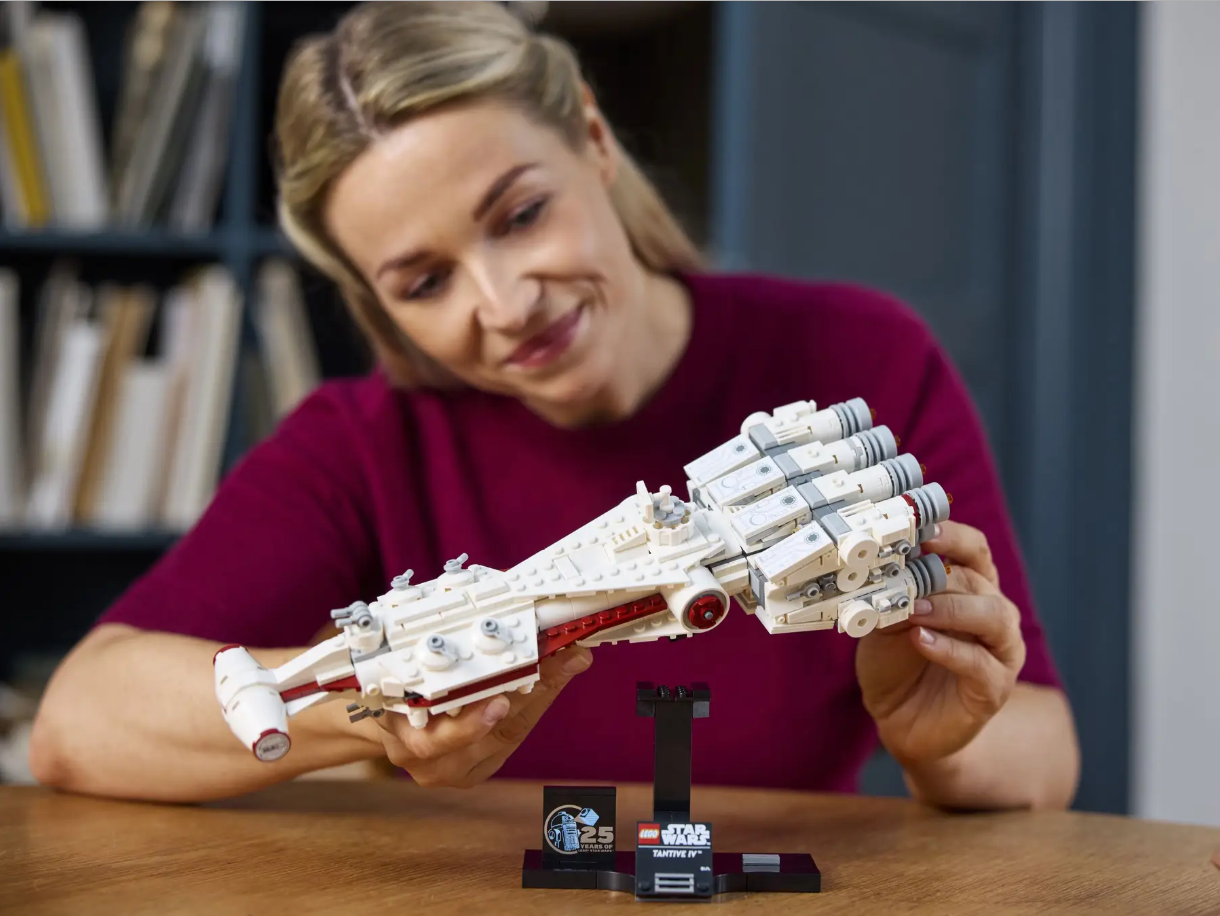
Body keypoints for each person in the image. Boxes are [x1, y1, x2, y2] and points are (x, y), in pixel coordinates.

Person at [28, 0, 1079, 809]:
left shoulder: (858, 358)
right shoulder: (361, 447)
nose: (503, 305)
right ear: (374, 304)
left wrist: (938, 736)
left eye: (520, 214)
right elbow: (77, 721)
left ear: (592, 141)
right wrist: (384, 704)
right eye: (423, 282)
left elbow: (1042, 756)